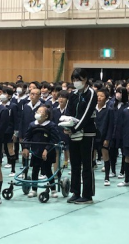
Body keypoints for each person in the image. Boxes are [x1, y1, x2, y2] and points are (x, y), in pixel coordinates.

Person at [64, 68, 97, 204]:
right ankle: (75, 192)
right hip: (73, 133)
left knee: (87, 164)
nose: (76, 82)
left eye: (79, 79)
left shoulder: (91, 93)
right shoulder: (73, 94)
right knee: (75, 163)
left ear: (85, 79)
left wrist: (75, 128)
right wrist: (66, 126)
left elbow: (87, 114)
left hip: (87, 133)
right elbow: (68, 112)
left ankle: (87, 195)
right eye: (74, 79)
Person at [22, 104, 60, 198]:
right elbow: (27, 137)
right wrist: (26, 147)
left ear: (46, 116)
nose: (38, 113)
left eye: (41, 112)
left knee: (48, 170)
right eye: (37, 111)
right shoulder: (32, 125)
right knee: (35, 170)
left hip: (48, 152)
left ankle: (53, 189)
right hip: (35, 152)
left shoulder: (51, 125)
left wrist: (47, 149)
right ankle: (34, 189)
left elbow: (54, 139)